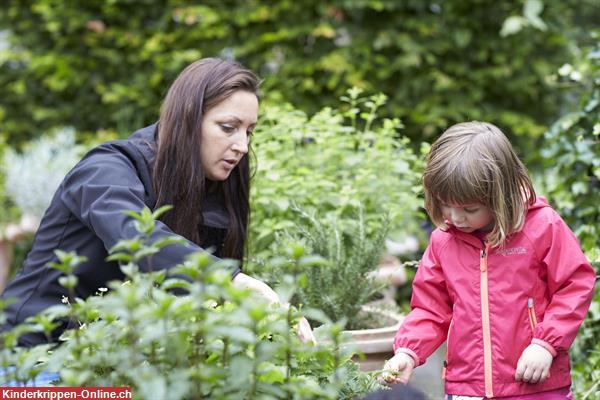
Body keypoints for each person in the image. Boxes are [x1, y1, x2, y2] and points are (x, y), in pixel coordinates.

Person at [1, 58, 315, 354]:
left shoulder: (207, 187)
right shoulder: (105, 170)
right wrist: (235, 282)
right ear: (188, 120)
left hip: (116, 360)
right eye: (228, 127)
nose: (242, 146)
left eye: (249, 131)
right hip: (31, 360)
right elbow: (137, 238)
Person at [382, 122, 595, 399]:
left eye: (470, 209)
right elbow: (430, 309)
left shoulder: (542, 227)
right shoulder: (443, 241)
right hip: (467, 386)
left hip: (536, 384)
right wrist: (408, 351)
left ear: (499, 196)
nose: (456, 218)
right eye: (447, 205)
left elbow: (574, 284)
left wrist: (545, 344)